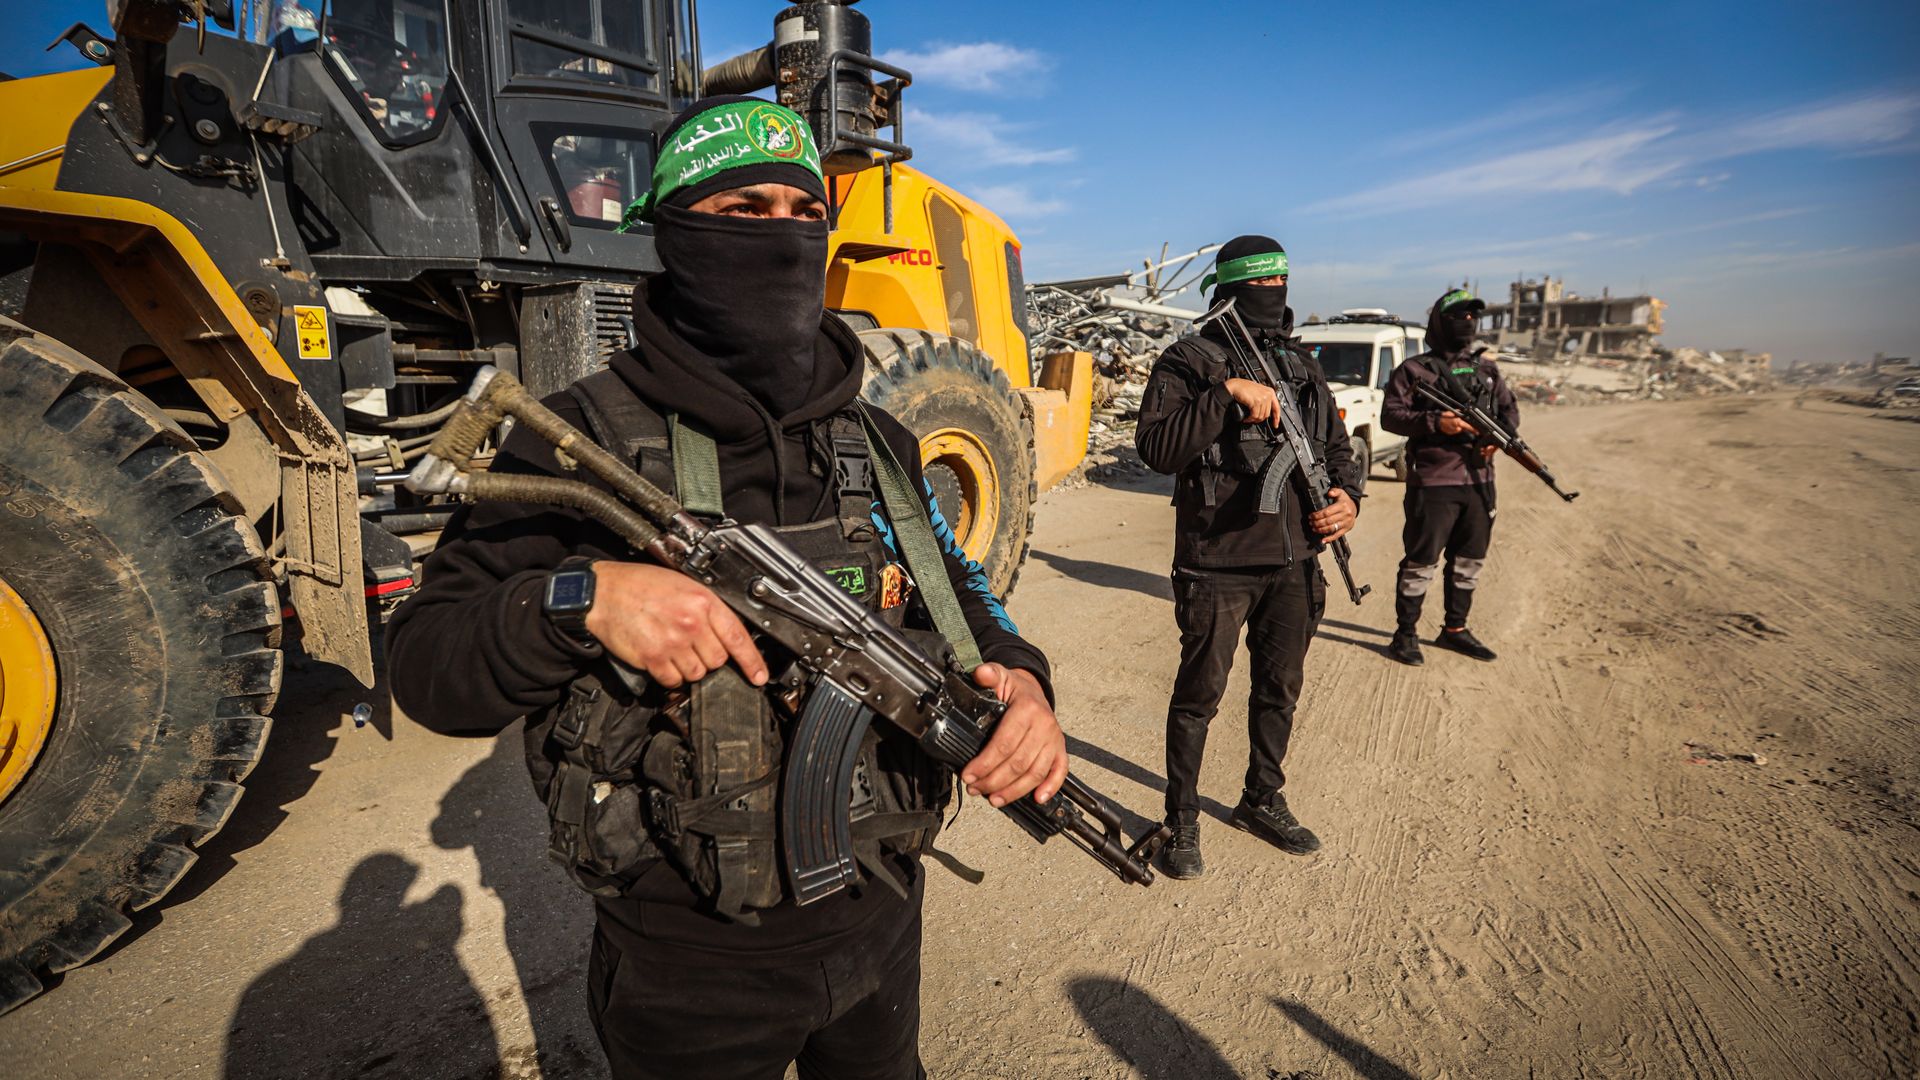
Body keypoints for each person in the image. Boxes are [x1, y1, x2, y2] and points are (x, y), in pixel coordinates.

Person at [386, 96, 1067, 1080]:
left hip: (882, 920)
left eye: (802, 212)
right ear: (674, 233)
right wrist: (581, 599)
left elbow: (955, 588)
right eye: (743, 211)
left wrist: (1018, 674)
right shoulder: (583, 439)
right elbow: (425, 662)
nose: (781, 235)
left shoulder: (877, 443)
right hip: (688, 970)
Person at [1133, 235, 1361, 880]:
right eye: (1261, 283)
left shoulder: (1301, 363)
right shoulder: (1189, 360)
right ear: (1233, 288)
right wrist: (1224, 394)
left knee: (1278, 692)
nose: (1273, 294)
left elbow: (1335, 451)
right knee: (1198, 697)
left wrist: (1348, 502)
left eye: (1280, 282)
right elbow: (1156, 449)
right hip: (1218, 562)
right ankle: (1180, 819)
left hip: (1296, 563)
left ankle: (1261, 798)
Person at [1380, 288, 1519, 666]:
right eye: (1459, 316)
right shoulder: (1414, 370)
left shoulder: (1486, 369)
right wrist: (1435, 421)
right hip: (1434, 482)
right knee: (1421, 561)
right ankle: (1404, 634)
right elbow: (1390, 416)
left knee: (1470, 559)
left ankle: (1455, 629)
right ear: (1441, 322)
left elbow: (1509, 412)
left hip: (1479, 483)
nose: (1468, 323)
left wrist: (1497, 441)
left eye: (1473, 316)